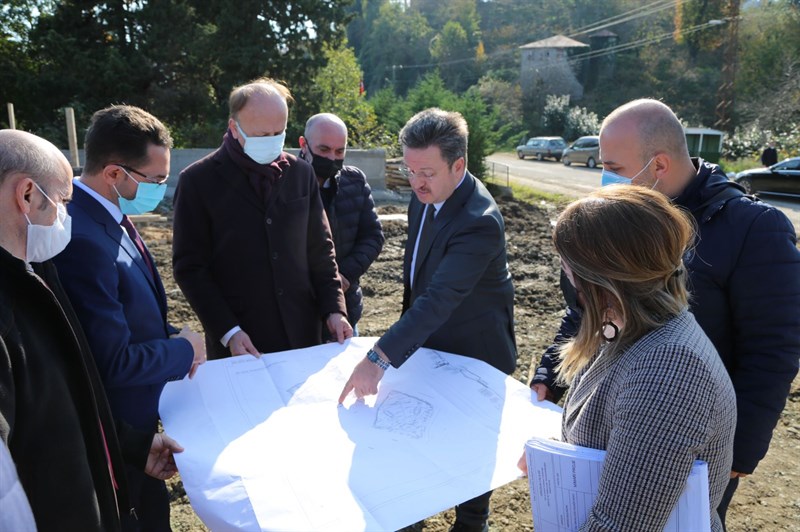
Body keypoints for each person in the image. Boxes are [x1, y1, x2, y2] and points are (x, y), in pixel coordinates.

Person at [531, 99, 800, 528]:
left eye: (614, 168)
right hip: (639, 405)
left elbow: (774, 348)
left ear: (657, 164)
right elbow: (591, 307)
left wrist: (737, 451)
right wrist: (551, 371)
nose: (605, 180)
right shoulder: (621, 225)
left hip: (681, 418)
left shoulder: (753, 227)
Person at [339, 108, 516, 532]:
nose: (415, 182)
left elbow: (439, 298)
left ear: (459, 165)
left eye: (427, 172)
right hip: (429, 348)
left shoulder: (479, 221)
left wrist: (379, 358)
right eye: (409, 169)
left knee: (469, 467)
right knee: (412, 449)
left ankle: (472, 524)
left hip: (476, 357)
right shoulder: (426, 198)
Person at [0, 129, 184, 531]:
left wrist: (131, 445)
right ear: (27, 194)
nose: (68, 214)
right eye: (63, 201)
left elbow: (68, 393)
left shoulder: (37, 272)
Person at [523, 185, 737, 531]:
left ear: (601, 281)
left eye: (567, 267)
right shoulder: (627, 329)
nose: (565, 276)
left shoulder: (669, 369)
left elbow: (620, 525)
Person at [53, 106, 206, 531]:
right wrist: (182, 350)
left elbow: (131, 314)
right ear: (115, 174)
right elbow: (112, 362)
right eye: (155, 180)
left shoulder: (111, 217)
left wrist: (172, 333)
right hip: (117, 436)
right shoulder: (83, 239)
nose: (161, 189)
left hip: (140, 430)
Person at [173, 78, 352, 359]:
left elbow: (321, 250)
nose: (271, 142)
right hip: (241, 343)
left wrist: (334, 309)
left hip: (303, 334)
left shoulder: (301, 174)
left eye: (278, 134)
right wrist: (229, 331)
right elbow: (190, 268)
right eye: (261, 135)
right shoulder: (197, 182)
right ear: (235, 128)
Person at [298, 113, 384, 336]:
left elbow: (373, 236)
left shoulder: (354, 181)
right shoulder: (282, 184)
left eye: (340, 151)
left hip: (345, 310)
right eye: (324, 150)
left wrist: (343, 276)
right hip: (298, 313)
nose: (332, 159)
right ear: (303, 145)